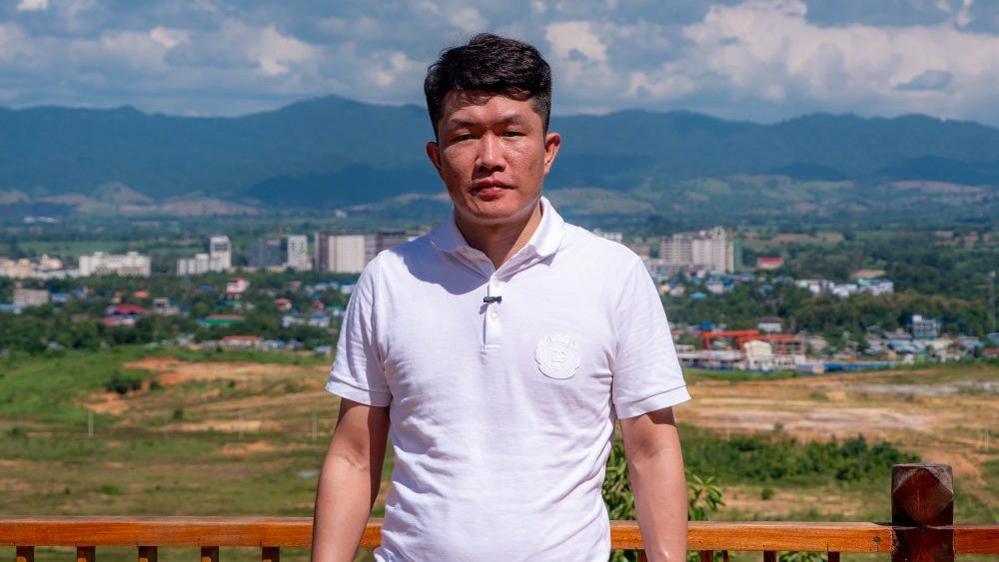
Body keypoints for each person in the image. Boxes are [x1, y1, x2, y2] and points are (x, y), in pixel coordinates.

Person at [311, 33, 691, 562]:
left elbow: (652, 451)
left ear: (548, 149)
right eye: (465, 135)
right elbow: (354, 455)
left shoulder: (613, 274)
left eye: (513, 132)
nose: (490, 158)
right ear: (437, 157)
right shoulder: (389, 280)